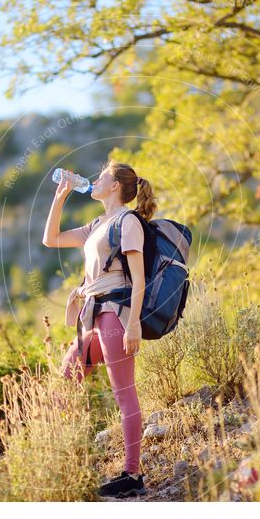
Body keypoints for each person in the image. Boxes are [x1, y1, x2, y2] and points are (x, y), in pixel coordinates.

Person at [42, 158, 157, 498]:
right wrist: (60, 197)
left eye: (103, 175)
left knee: (124, 394)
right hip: (93, 315)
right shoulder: (97, 224)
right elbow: (51, 239)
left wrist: (133, 323)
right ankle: (58, 461)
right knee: (65, 381)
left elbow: (139, 279)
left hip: (116, 314)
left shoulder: (128, 222)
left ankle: (132, 474)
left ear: (115, 186)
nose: (95, 179)